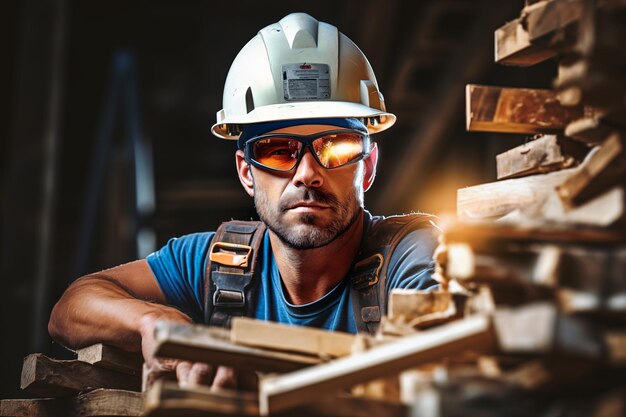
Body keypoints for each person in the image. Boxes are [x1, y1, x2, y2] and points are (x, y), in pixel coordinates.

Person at [48, 12, 439, 390]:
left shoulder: (410, 258)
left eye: (335, 148)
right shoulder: (216, 263)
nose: (307, 173)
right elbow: (72, 308)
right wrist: (155, 322)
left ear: (367, 167)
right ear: (246, 172)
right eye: (278, 150)